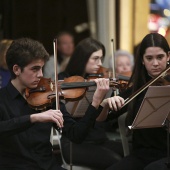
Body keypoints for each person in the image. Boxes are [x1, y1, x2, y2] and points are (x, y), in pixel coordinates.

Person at [0, 37, 110, 170]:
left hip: (48, 166)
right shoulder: (2, 99)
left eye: (42, 68)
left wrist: (96, 102)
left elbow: (76, 135)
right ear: (17, 69)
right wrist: (33, 118)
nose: (41, 75)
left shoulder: (49, 97)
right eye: (35, 69)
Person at [99, 33, 170, 170]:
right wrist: (105, 103)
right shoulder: (137, 88)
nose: (155, 63)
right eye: (149, 58)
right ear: (142, 60)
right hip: (142, 155)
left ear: (168, 56)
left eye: (160, 57)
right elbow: (104, 118)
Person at [58, 37, 124, 170]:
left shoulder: (100, 79)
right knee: (116, 162)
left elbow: (101, 119)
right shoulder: (63, 81)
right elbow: (75, 133)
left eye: (101, 58)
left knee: (131, 152)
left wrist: (105, 103)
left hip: (99, 139)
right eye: (95, 58)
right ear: (83, 58)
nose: (100, 64)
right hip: (74, 144)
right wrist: (97, 100)